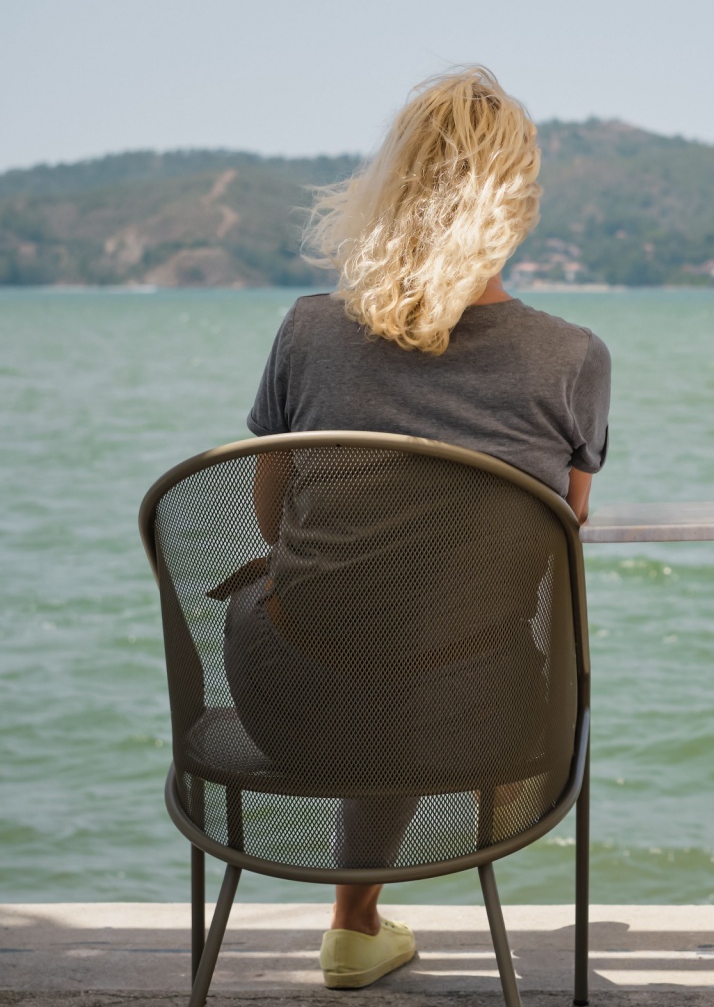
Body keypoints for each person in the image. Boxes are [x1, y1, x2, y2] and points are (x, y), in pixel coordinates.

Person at [228, 66, 609, 990]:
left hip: (290, 701)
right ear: (515, 201)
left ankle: (352, 925)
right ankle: (371, 915)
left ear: (389, 186)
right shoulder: (572, 360)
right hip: (487, 727)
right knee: (441, 644)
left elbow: (271, 515)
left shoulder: (308, 332)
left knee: (359, 632)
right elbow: (560, 532)